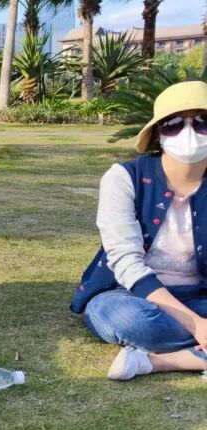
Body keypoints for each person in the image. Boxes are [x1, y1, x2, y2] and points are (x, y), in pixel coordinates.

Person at [72, 81, 207, 380]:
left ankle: (161, 362)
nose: (190, 133)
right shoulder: (125, 177)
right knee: (126, 320)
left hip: (200, 295)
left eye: (203, 122)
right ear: (158, 133)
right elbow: (125, 261)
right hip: (132, 296)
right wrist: (196, 324)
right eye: (174, 124)